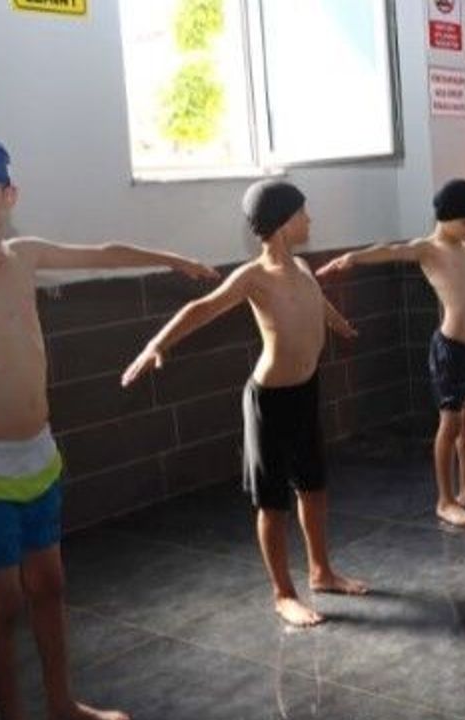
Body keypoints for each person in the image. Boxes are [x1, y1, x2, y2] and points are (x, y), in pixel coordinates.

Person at [0, 137, 217, 720]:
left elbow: (102, 254)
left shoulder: (26, 255)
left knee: (50, 585)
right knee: (5, 598)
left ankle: (62, 704)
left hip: (39, 453)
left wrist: (170, 257)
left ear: (9, 196)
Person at [123, 179, 367, 628]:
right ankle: (283, 594)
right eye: (303, 213)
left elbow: (317, 303)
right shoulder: (253, 276)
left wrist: (338, 323)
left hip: (305, 391)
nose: (309, 219)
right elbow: (201, 308)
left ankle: (321, 572)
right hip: (269, 401)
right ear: (283, 222)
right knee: (272, 502)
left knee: (313, 487)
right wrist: (157, 344)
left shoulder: (303, 268)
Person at [317, 179, 465, 526]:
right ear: (444, 218)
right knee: (451, 423)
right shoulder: (429, 249)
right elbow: (390, 250)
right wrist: (353, 257)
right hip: (451, 349)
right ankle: (445, 500)